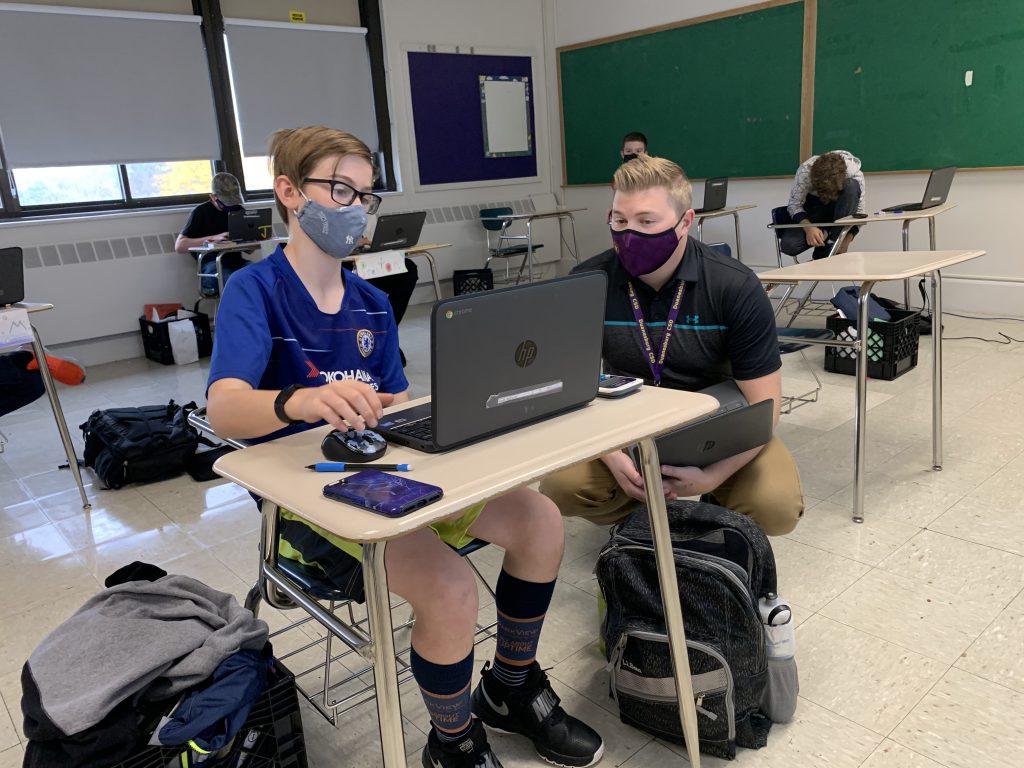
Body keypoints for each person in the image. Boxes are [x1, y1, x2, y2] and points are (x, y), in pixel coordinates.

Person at [205, 126, 603, 768]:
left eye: (365, 195)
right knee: (450, 590)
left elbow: (391, 401)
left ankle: (510, 687)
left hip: (387, 473)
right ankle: (453, 741)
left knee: (541, 521)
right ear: (288, 192)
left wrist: (416, 409)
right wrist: (297, 401)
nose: (355, 208)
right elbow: (222, 406)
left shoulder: (372, 304)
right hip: (306, 502)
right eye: (339, 189)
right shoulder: (255, 292)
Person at [540, 155, 804, 537]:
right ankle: (637, 509)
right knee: (561, 487)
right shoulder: (587, 283)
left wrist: (712, 477)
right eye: (619, 220)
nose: (629, 234)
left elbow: (767, 407)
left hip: (717, 424)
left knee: (775, 505)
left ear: (685, 222)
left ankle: (713, 507)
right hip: (628, 424)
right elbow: (569, 387)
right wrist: (614, 460)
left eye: (647, 221)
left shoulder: (734, 286)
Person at [780, 150, 866, 261]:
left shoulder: (855, 174)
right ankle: (826, 238)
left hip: (839, 211)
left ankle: (830, 243)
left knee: (852, 186)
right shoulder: (805, 171)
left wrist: (846, 240)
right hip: (814, 209)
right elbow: (794, 205)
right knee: (789, 246)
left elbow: (860, 213)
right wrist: (809, 228)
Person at [174, 172, 250, 295]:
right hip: (212, 266)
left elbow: (249, 251)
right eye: (227, 202)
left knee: (261, 276)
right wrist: (214, 238)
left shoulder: (238, 210)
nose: (230, 206)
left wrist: (251, 237)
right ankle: (239, 312)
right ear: (213, 197)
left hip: (237, 263)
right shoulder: (201, 212)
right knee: (234, 281)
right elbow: (180, 246)